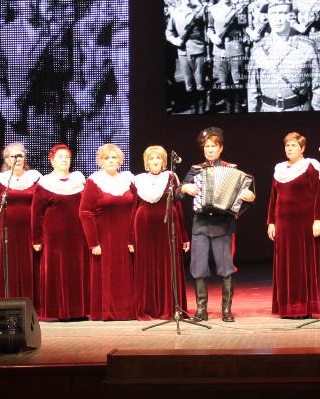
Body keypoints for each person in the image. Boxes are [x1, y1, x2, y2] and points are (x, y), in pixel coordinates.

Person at [180, 127, 255, 322]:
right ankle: (201, 310)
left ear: (221, 148)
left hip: (223, 225)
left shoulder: (232, 169)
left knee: (226, 268)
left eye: (213, 146)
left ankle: (226, 310)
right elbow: (179, 192)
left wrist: (250, 197)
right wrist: (185, 187)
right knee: (198, 267)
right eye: (207, 146)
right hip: (200, 225)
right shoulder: (195, 169)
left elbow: (245, 196)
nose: (210, 149)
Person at [266, 132, 320, 319]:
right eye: (287, 145)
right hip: (284, 225)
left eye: (293, 145)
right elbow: (273, 198)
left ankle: (305, 306)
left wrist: (318, 219)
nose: (289, 148)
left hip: (304, 224)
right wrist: (271, 222)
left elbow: (319, 194)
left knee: (304, 264)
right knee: (286, 265)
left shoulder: (310, 166)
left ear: (302, 149)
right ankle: (288, 307)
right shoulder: (279, 169)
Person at [78, 144, 137, 320]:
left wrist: (133, 237)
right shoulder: (94, 181)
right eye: (106, 158)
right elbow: (85, 213)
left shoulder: (129, 179)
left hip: (126, 237)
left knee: (127, 274)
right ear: (100, 162)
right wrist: (93, 242)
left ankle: (128, 311)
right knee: (107, 274)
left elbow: (137, 207)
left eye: (114, 157)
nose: (110, 161)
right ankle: (107, 311)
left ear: (120, 160)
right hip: (104, 238)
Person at [32, 144, 89, 320]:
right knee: (56, 270)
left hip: (78, 235)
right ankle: (55, 311)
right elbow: (36, 213)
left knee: (77, 270)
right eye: (60, 157)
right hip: (54, 237)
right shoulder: (44, 183)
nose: (64, 160)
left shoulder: (79, 180)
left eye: (67, 157)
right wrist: (36, 239)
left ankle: (78, 311)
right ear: (52, 161)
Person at [131, 146, 189, 320]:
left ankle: (169, 308)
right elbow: (133, 207)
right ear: (146, 162)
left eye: (158, 158)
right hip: (144, 226)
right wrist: (130, 238)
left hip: (168, 227)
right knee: (146, 266)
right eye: (151, 158)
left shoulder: (171, 177)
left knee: (168, 265)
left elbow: (178, 205)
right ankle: (148, 309)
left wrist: (184, 235)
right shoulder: (138, 180)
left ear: (163, 161)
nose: (155, 161)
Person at [246, 0, 320, 112]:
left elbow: (319, 86)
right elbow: (252, 89)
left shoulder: (306, 47)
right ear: (267, 17)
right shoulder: (258, 49)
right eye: (273, 14)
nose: (278, 19)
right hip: (268, 110)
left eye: (283, 13)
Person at [0, 141, 40, 301]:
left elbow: (41, 207)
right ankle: (8, 302)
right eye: (13, 156)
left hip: (29, 230)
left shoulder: (35, 178)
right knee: (8, 265)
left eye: (20, 155)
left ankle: (31, 303)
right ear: (6, 160)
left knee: (29, 264)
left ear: (25, 158)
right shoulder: (1, 179)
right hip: (7, 231)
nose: (17, 159)